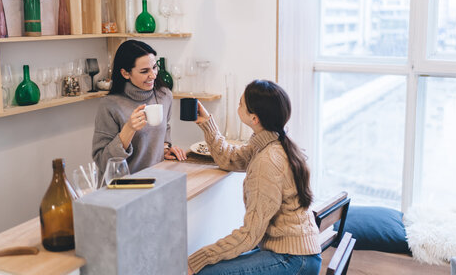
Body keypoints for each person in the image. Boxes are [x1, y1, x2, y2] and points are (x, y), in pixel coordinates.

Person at [188, 80, 321, 275]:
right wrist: (208, 123)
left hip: (293, 259)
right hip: (294, 253)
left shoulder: (267, 161)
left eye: (241, 104)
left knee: (204, 271)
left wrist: (196, 259)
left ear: (254, 118)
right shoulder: (271, 142)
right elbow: (230, 159)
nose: (238, 106)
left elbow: (249, 235)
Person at [92, 40, 186, 178]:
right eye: (144, 71)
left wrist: (164, 148)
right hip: (122, 188)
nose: (153, 75)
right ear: (125, 73)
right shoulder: (109, 105)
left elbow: (165, 127)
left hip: (156, 180)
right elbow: (103, 161)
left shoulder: (164, 95)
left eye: (154, 67)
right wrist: (129, 129)